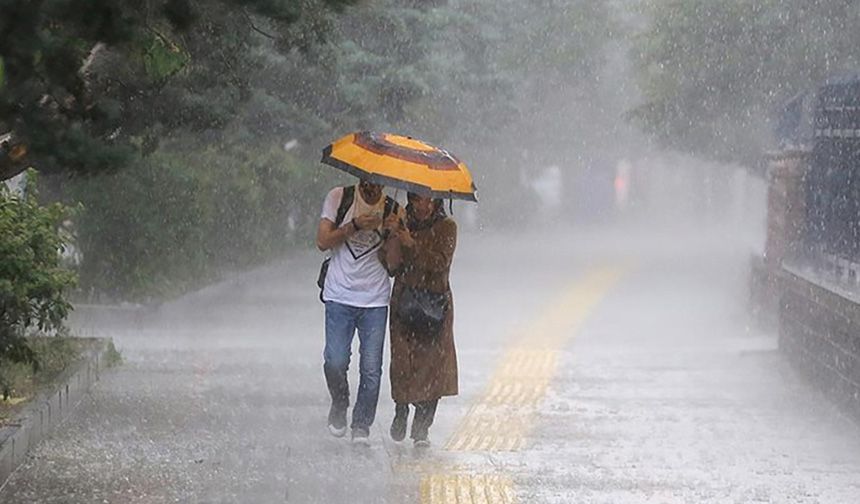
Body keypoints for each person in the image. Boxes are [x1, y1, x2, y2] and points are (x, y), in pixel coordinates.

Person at [316, 178, 401, 445]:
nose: (374, 189)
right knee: (335, 360)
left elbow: (395, 265)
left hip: (374, 299)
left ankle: (362, 424)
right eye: (369, 182)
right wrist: (353, 226)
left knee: (371, 367)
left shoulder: (393, 209)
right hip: (339, 295)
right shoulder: (339, 197)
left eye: (379, 184)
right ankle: (340, 402)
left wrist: (392, 234)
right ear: (361, 177)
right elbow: (322, 241)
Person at [380, 192, 458, 447]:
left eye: (426, 199)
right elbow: (390, 266)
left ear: (436, 202)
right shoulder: (402, 220)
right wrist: (391, 236)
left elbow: (439, 263)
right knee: (403, 360)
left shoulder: (447, 227)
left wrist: (411, 242)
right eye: (415, 199)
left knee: (433, 367)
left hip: (434, 303)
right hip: (405, 300)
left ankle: (422, 426)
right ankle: (401, 408)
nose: (421, 204)